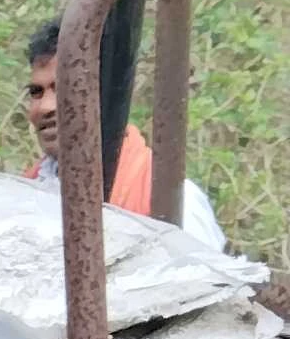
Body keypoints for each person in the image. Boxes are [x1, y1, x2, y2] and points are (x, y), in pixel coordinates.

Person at [21, 17, 228, 248]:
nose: (45, 107)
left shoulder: (171, 201)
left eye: (64, 88)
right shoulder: (22, 196)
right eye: (36, 92)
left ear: (104, 93)